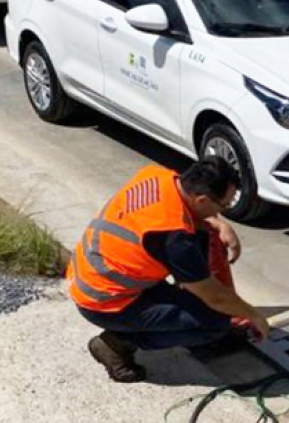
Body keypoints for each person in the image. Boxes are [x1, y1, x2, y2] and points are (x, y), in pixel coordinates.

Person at [68, 158, 270, 383]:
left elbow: (194, 211)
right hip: (105, 302)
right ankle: (115, 344)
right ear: (202, 199)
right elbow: (216, 297)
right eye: (224, 205)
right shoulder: (174, 237)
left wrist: (220, 224)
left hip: (99, 276)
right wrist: (253, 314)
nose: (224, 210)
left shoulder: (158, 176)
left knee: (203, 232)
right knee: (216, 322)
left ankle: (181, 318)